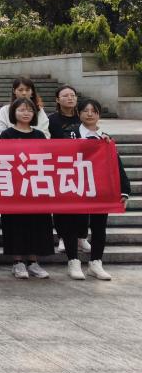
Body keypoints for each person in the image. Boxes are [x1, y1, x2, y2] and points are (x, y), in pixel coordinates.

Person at [69, 98, 129, 281]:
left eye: (93, 111)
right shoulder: (70, 134)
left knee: (99, 226)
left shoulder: (106, 138)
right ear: (78, 113)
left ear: (99, 114)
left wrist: (124, 190)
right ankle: (73, 261)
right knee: (74, 224)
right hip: (75, 187)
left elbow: (116, 165)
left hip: (99, 189)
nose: (89, 114)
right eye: (85, 111)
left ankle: (96, 263)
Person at [0, 97, 53, 279]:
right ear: (13, 112)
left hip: (35, 186)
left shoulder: (39, 135)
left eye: (29, 110)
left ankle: (33, 261)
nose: (26, 113)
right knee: (15, 224)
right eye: (21, 110)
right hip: (14, 187)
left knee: (36, 224)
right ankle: (18, 262)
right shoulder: (7, 134)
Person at [48, 85, 92, 257]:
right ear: (57, 99)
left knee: (82, 202)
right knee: (61, 204)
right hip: (60, 166)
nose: (70, 98)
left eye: (72, 95)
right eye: (65, 95)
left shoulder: (82, 117)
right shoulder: (52, 120)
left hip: (81, 165)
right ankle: (62, 237)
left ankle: (82, 236)